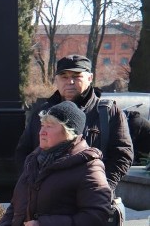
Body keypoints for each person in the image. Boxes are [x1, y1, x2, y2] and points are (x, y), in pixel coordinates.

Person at [15, 55, 133, 191]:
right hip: (46, 199)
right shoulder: (42, 113)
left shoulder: (107, 112)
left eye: (76, 76)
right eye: (64, 77)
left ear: (90, 78)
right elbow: (24, 151)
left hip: (91, 197)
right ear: (57, 80)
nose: (70, 82)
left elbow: (123, 154)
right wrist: (31, 185)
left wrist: (102, 187)